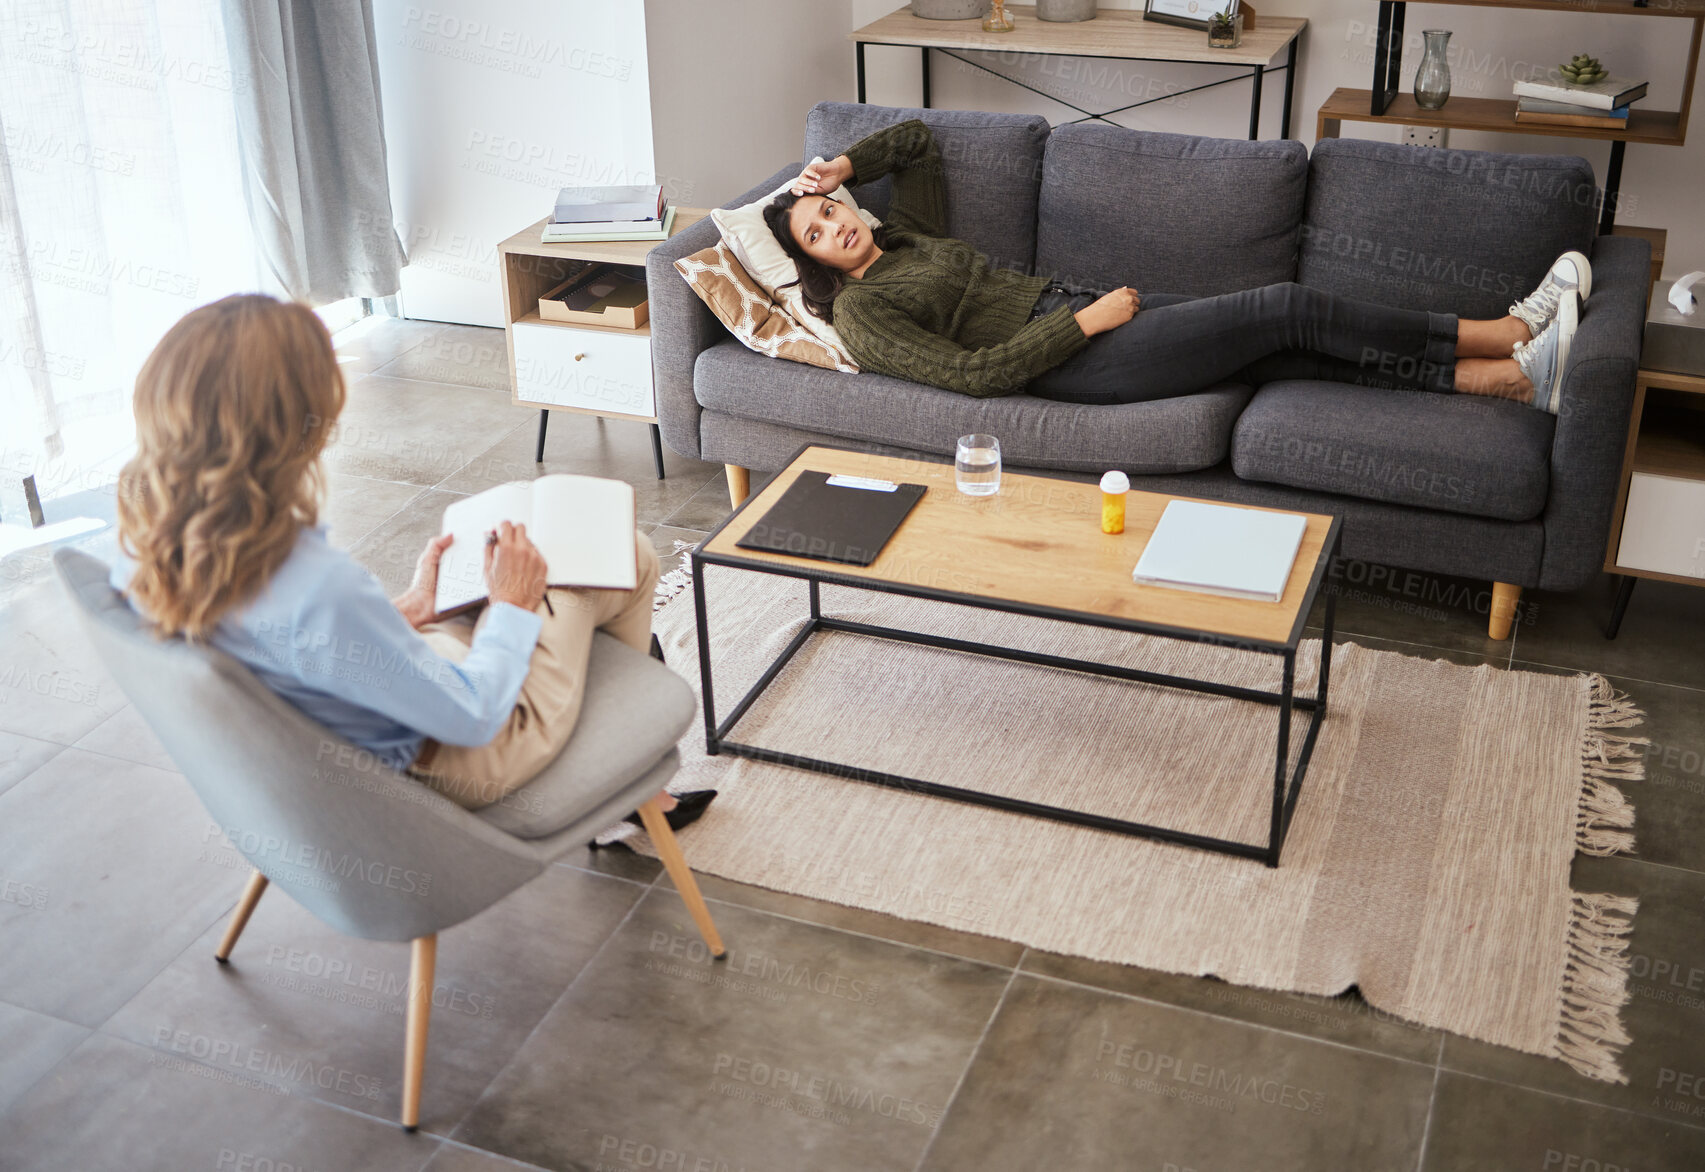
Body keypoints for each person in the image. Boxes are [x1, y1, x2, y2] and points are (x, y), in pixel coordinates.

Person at [111, 294, 713, 832]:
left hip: (371, 734)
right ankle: (626, 780)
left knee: (538, 574)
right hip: (463, 756)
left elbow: (299, 651)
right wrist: (508, 606)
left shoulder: (154, 551)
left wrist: (405, 612)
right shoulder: (318, 586)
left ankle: (626, 777)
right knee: (622, 555)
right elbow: (473, 716)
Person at [762, 119, 1588, 413]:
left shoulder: (905, 235)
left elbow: (915, 140)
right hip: (1076, 355)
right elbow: (973, 376)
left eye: (829, 209)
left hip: (1082, 308)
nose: (831, 225)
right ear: (811, 262)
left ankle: (1507, 380)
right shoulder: (863, 314)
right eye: (811, 232)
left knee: (1280, 352)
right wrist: (1082, 325)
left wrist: (837, 162)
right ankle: (1509, 327)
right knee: (1284, 308)